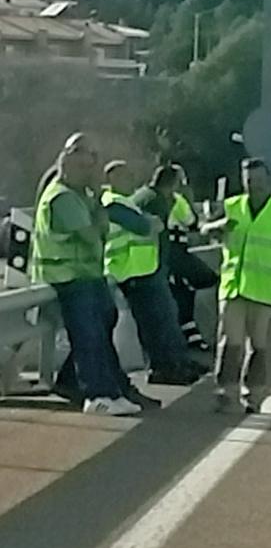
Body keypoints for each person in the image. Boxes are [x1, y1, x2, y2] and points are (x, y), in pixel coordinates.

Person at [31, 135, 141, 415]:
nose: (88, 172)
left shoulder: (81, 196)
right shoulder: (62, 197)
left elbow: (100, 231)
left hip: (86, 274)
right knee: (88, 333)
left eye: (90, 166)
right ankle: (98, 394)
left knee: (105, 319)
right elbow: (93, 235)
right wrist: (98, 217)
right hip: (65, 276)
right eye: (82, 166)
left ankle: (83, 383)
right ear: (67, 163)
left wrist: (97, 210)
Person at [203, 158, 271, 413]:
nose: (253, 186)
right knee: (230, 340)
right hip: (233, 285)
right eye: (249, 181)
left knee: (258, 344)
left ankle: (254, 394)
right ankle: (226, 391)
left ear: (270, 181)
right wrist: (218, 226)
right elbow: (204, 229)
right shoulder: (231, 206)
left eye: (258, 181)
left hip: (265, 288)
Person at [102, 163, 199, 386]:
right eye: (127, 174)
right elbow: (145, 226)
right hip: (132, 270)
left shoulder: (129, 200)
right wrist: (150, 224)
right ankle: (165, 368)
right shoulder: (113, 202)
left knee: (164, 318)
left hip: (145, 268)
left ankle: (174, 364)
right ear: (114, 177)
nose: (133, 177)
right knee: (156, 322)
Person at [165, 166, 218, 351]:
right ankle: (193, 334)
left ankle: (191, 335)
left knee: (183, 292)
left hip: (161, 255)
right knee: (207, 279)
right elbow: (192, 223)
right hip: (175, 252)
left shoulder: (146, 197)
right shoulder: (177, 199)